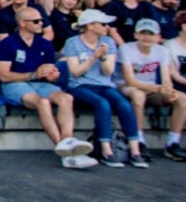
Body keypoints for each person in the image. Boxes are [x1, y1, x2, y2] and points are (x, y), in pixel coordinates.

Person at [0, 7, 96, 168]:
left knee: (66, 98)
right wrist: (32, 75)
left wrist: (52, 75)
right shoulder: (7, 43)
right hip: (15, 84)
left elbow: (49, 72)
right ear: (22, 23)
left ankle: (68, 142)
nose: (41, 23)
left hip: (41, 83)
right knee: (42, 102)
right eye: (36, 21)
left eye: (41, 20)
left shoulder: (45, 44)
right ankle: (64, 149)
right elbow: (3, 75)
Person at [62, 9, 148, 168]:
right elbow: (75, 72)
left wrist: (102, 57)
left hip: (104, 84)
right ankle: (106, 151)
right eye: (102, 24)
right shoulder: (72, 42)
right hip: (80, 85)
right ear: (90, 25)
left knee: (124, 104)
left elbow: (108, 71)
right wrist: (93, 57)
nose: (106, 27)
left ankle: (135, 151)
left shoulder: (108, 42)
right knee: (103, 104)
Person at [118, 19, 186, 161]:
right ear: (136, 35)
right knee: (138, 96)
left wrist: (168, 90)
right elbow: (130, 80)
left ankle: (172, 143)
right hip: (125, 86)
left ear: (158, 37)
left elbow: (166, 78)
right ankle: (138, 140)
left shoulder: (162, 51)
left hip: (151, 87)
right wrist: (158, 88)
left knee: (182, 98)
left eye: (151, 34)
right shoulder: (126, 49)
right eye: (143, 33)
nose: (146, 37)